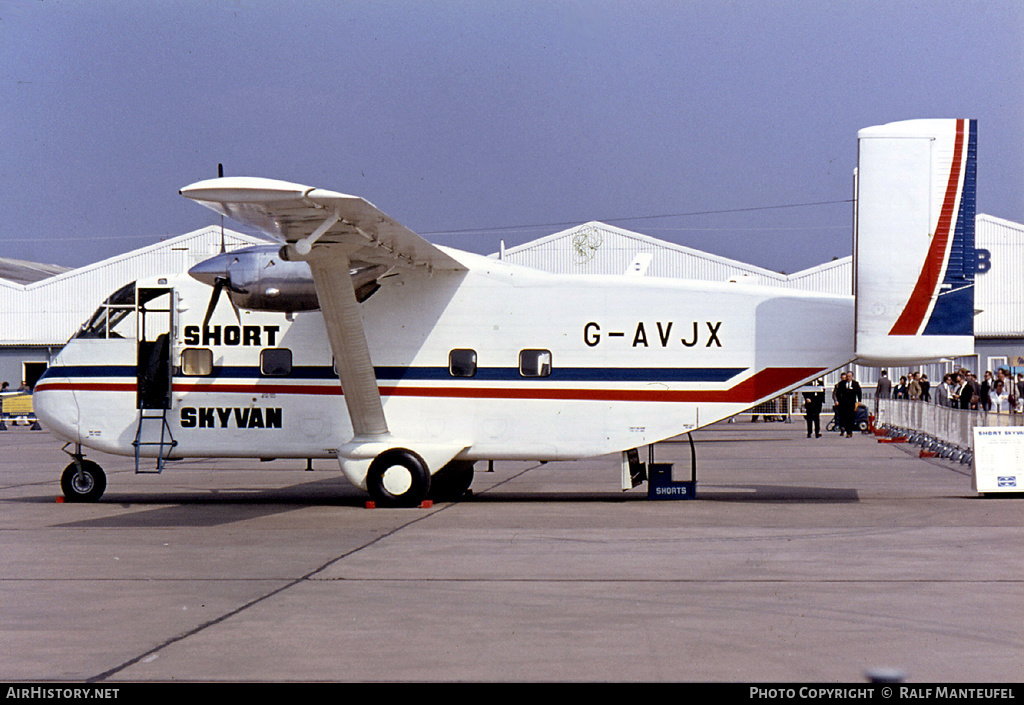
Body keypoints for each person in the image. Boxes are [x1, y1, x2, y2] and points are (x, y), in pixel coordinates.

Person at [836, 371, 862, 438]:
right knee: (844, 417)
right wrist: (839, 400)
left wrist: (859, 400)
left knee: (850, 418)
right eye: (847, 376)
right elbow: (838, 393)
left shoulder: (855, 384)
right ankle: (844, 429)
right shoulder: (842, 383)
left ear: (852, 377)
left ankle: (849, 432)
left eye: (849, 376)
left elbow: (859, 392)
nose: (848, 378)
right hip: (843, 403)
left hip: (851, 403)